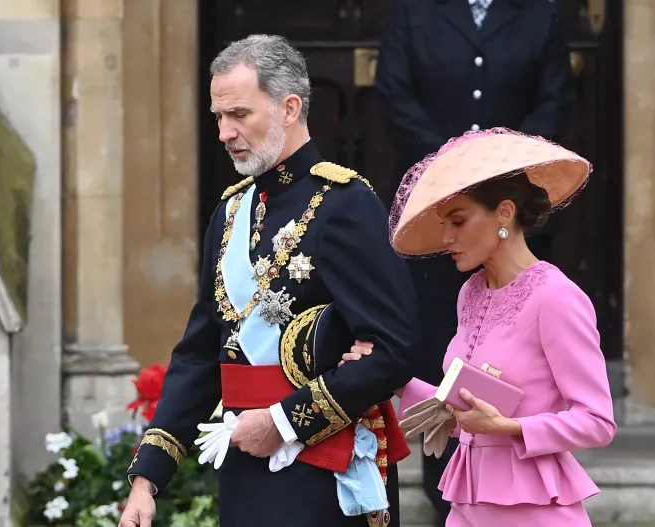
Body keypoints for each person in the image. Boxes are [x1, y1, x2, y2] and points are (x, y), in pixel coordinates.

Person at [118, 34, 417, 527]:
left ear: (289, 108)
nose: (224, 132)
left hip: (325, 464)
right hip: (245, 466)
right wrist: (146, 480)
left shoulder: (345, 204)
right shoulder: (232, 211)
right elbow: (200, 353)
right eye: (219, 117)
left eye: (239, 114)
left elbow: (395, 348)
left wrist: (283, 421)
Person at [342, 129, 616, 526]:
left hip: (535, 511)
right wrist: (391, 377)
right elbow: (463, 408)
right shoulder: (470, 292)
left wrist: (510, 427)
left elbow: (598, 421)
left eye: (458, 221)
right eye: (443, 224)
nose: (447, 237)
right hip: (467, 507)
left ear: (504, 213)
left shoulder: (556, 296)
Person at [374, 4, 576, 521]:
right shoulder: (414, 13)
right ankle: (447, 492)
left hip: (502, 220)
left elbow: (554, 97)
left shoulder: (540, 15)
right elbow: (395, 93)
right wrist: (454, 171)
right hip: (446, 201)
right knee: (443, 349)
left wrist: (505, 167)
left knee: (520, 357)